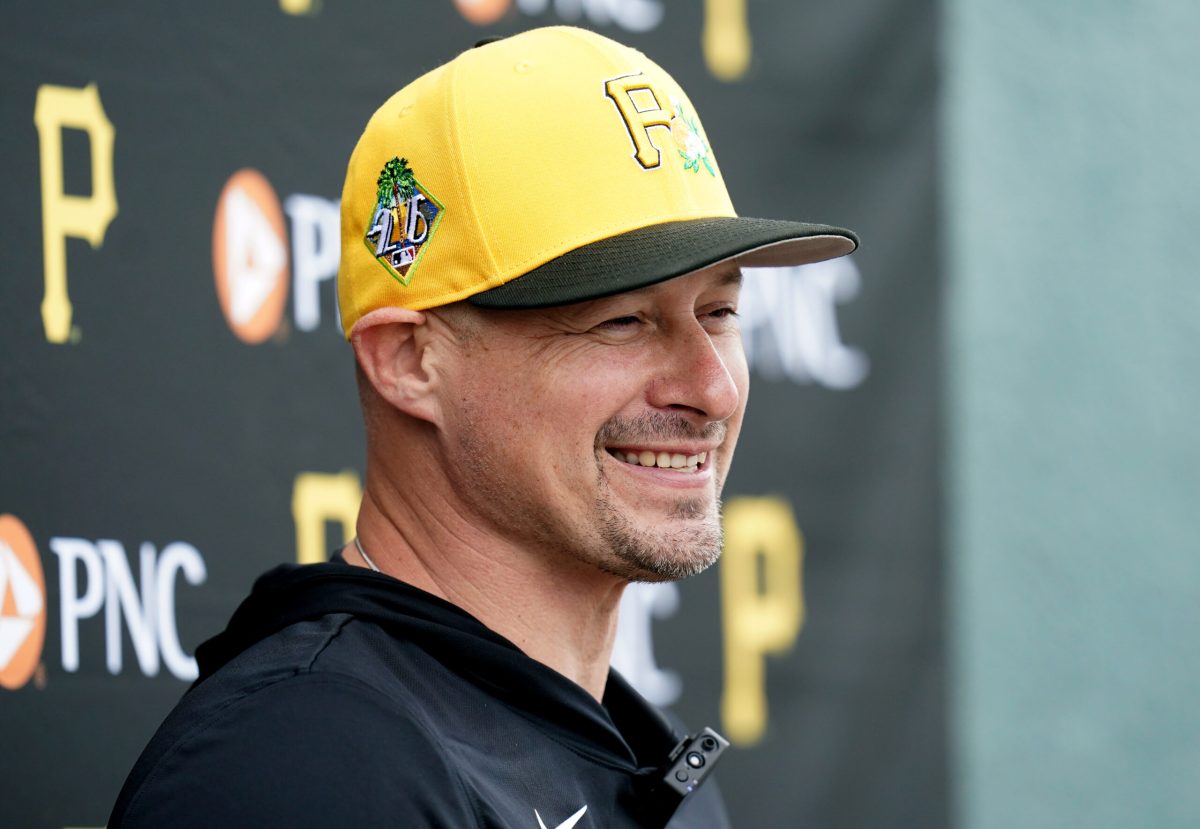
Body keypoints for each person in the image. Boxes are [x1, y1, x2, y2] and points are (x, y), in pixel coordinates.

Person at [109, 26, 856, 828]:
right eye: (622, 321)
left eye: (720, 312)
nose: (712, 386)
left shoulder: (650, 767)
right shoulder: (300, 767)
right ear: (409, 360)